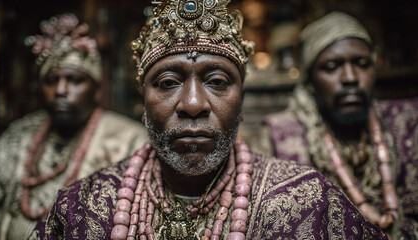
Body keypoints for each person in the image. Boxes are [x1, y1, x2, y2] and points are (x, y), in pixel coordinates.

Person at [30, 4, 386, 240]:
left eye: (217, 82)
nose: (194, 104)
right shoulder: (84, 208)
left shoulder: (307, 202)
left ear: (241, 101)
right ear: (143, 103)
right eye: (168, 83)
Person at [251, 12, 418, 239]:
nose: (350, 77)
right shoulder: (275, 137)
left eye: (361, 64)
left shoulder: (409, 120)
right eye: (331, 66)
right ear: (310, 81)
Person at [0, 13, 148, 239]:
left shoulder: (130, 140)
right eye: (52, 80)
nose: (61, 91)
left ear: (97, 89)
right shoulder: (19, 134)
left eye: (74, 80)